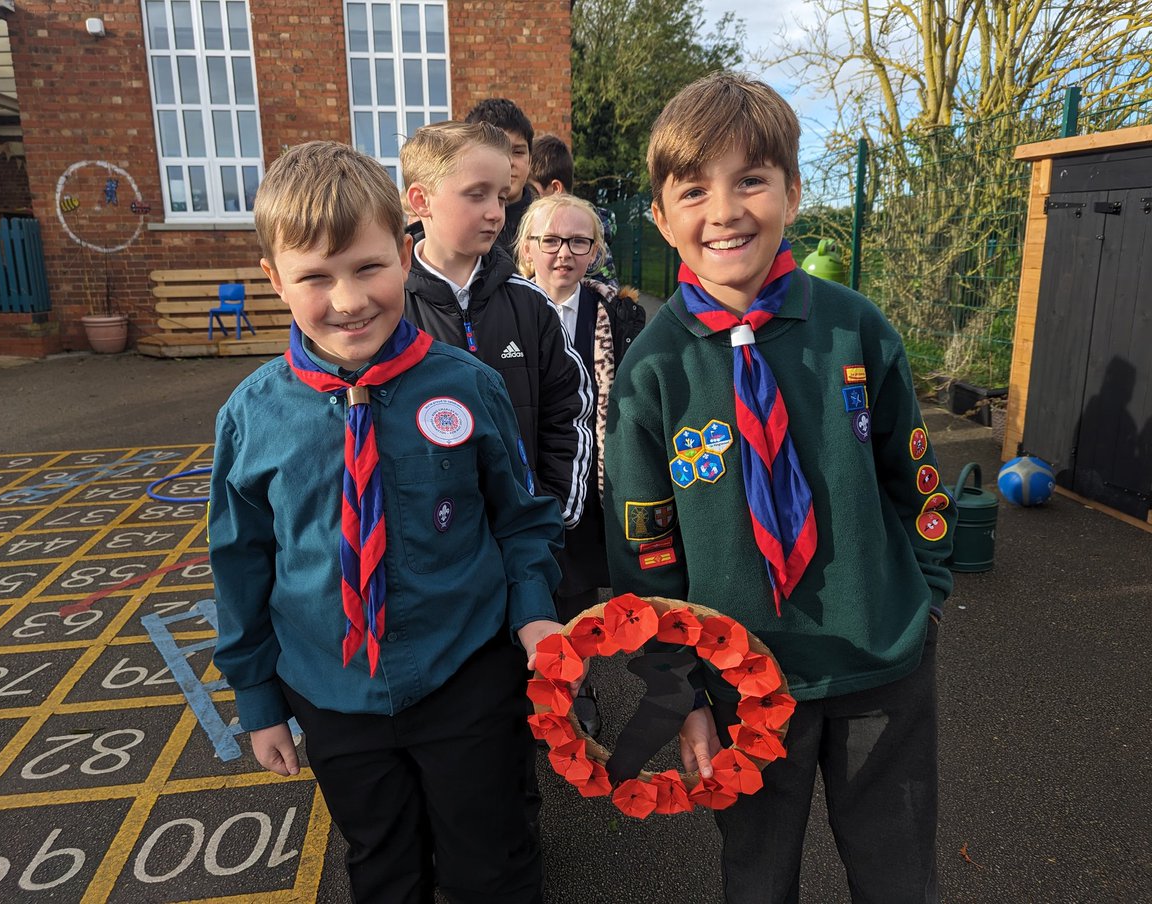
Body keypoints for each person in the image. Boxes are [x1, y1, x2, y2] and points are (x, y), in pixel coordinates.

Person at [602, 72, 958, 904]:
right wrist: (679, 688)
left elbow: (915, 476)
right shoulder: (650, 370)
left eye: (751, 180)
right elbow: (643, 551)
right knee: (757, 879)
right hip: (743, 685)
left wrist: (926, 595)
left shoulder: (856, 327)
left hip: (881, 662)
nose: (723, 211)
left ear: (793, 194)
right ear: (661, 216)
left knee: (899, 874)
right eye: (694, 190)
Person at [209, 140, 569, 904]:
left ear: (405, 256)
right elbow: (241, 563)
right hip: (332, 692)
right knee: (381, 866)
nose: (348, 300)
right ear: (275, 281)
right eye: (314, 277)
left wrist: (534, 613)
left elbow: (522, 518)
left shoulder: (468, 386)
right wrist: (258, 698)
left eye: (368, 268)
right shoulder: (251, 416)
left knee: (492, 862)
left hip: (465, 672)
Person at [400, 120, 594, 533]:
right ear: (421, 200)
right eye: (477, 195)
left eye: (502, 197)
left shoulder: (530, 305)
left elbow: (570, 410)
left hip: (521, 546)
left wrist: (550, 516)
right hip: (427, 555)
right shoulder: (389, 310)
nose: (495, 212)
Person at [513, 193, 645, 735]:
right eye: (551, 241)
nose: (563, 253)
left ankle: (573, 686)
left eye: (578, 241)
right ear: (528, 249)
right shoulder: (505, 312)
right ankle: (526, 687)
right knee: (523, 587)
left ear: (595, 251)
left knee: (576, 596)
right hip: (525, 479)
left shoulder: (618, 313)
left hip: (590, 482)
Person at [529, 133, 618, 289]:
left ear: (556, 189)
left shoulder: (586, 238)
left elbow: (608, 297)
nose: (527, 200)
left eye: (531, 192)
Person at [465, 97, 535, 251]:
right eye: (498, 151)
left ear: (530, 160)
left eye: (518, 152)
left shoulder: (550, 226)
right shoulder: (456, 225)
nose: (508, 162)